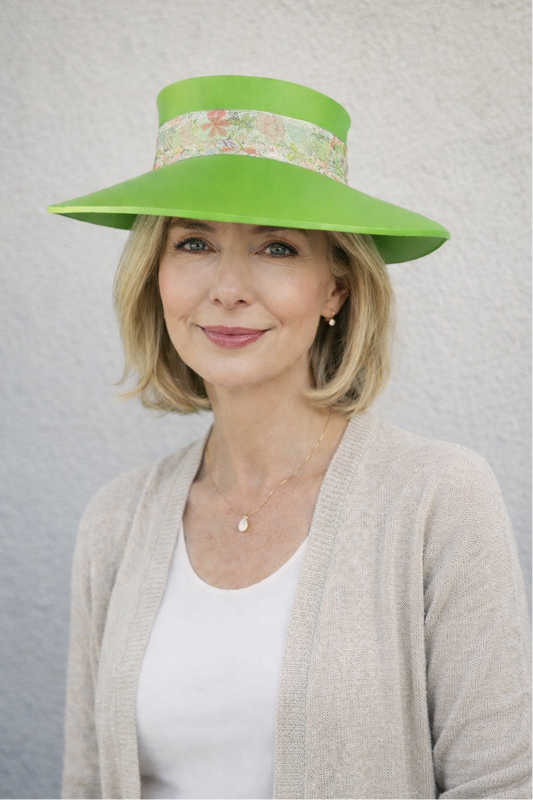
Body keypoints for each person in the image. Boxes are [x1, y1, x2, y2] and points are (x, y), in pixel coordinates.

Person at [49, 75, 533, 800]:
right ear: (155, 274)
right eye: (193, 242)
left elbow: (499, 783)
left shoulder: (437, 498)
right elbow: (87, 784)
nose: (228, 287)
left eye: (276, 247)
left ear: (334, 287)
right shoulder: (115, 522)